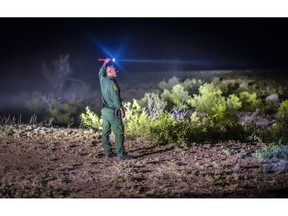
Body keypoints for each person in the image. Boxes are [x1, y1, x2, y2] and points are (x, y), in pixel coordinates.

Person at [98, 58, 132, 160]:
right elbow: (116, 98)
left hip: (104, 111)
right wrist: (121, 109)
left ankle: (108, 153)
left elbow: (100, 72)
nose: (117, 71)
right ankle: (121, 154)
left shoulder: (102, 80)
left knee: (105, 132)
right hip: (113, 111)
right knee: (119, 132)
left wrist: (105, 63)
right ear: (110, 72)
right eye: (114, 70)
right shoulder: (113, 84)